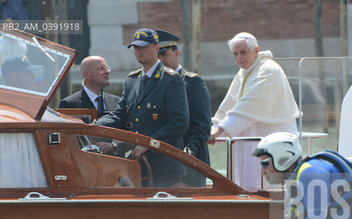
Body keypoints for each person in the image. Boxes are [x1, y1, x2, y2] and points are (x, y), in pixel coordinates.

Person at [96, 28, 189, 187]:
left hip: (166, 167)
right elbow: (120, 116)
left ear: (156, 48)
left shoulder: (171, 80)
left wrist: (148, 144)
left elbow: (179, 123)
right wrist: (91, 127)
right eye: (136, 48)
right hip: (139, 165)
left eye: (144, 47)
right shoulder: (132, 80)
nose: (139, 51)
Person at [209, 32, 299, 191]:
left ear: (256, 50)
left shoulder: (269, 69)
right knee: (248, 181)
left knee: (268, 184)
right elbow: (230, 102)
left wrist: (220, 130)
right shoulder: (243, 72)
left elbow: (250, 103)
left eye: (243, 52)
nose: (239, 58)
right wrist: (214, 127)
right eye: (235, 54)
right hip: (249, 139)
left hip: (271, 136)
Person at [156, 29, 211, 187]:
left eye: (165, 55)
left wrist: (190, 151)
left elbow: (202, 125)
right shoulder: (156, 85)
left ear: (176, 53)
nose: (161, 61)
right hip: (164, 163)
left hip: (190, 162)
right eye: (157, 57)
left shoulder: (192, 83)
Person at [59, 56, 120, 120]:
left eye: (107, 68)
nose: (107, 72)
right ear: (87, 74)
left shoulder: (117, 102)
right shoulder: (69, 104)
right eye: (101, 68)